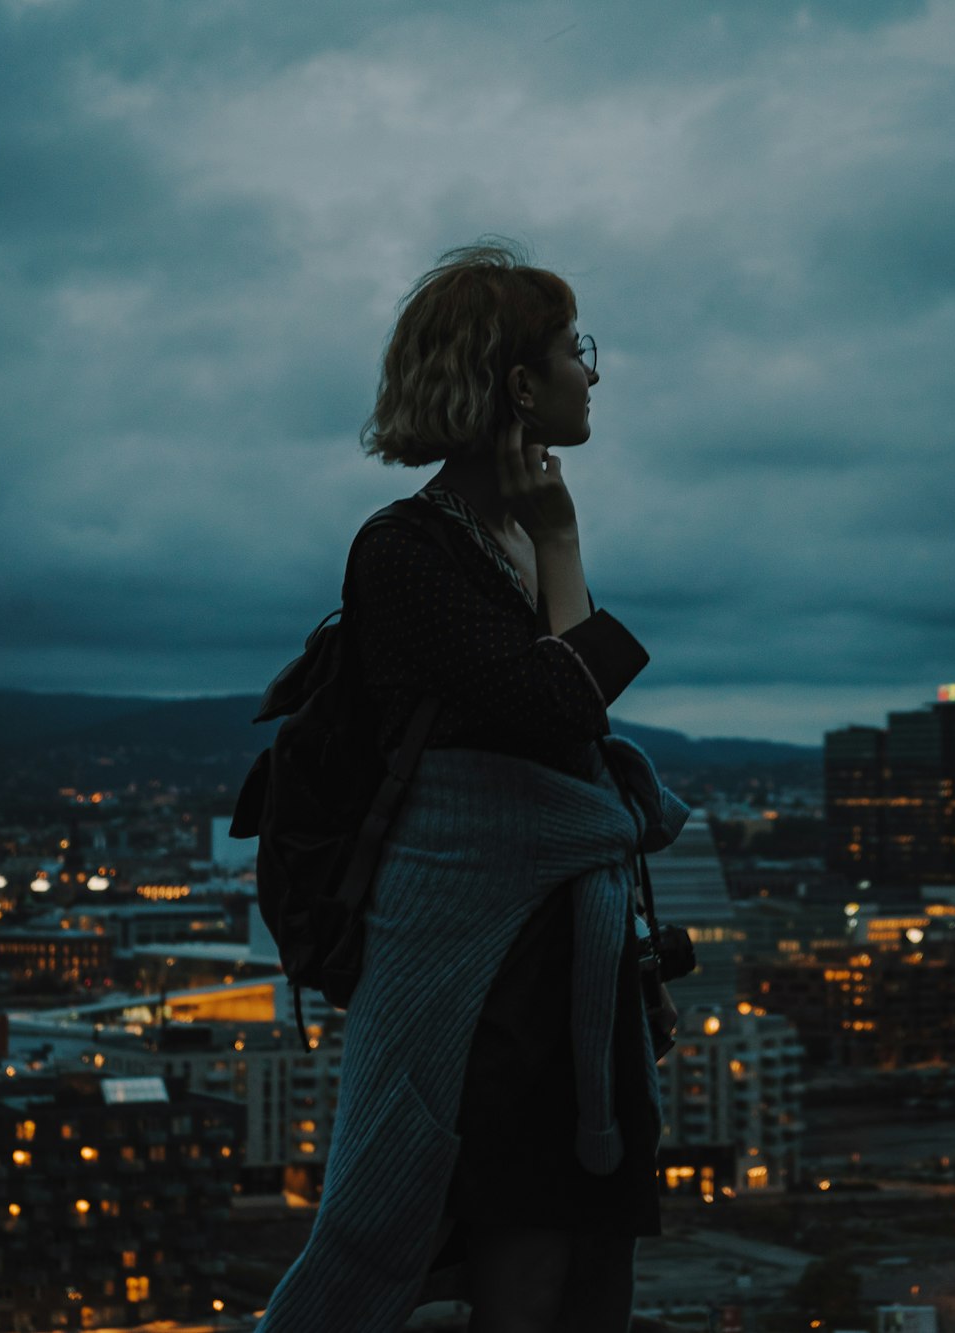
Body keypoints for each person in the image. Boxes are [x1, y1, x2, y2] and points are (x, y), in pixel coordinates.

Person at [254, 241, 688, 1333]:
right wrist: (563, 539)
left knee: (588, 1258)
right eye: (571, 351)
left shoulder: (501, 538)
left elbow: (567, 721)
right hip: (490, 978)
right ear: (517, 384)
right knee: (525, 1260)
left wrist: (551, 543)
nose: (592, 373)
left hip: (568, 966)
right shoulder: (407, 549)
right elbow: (557, 711)